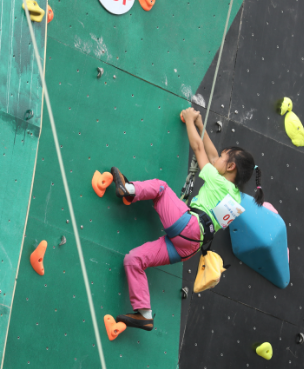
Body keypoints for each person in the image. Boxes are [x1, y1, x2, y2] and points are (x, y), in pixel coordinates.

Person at [112, 107, 264, 331]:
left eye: (223, 156)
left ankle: (129, 190)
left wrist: (191, 121)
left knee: (161, 188)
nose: (217, 157)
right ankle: (144, 313)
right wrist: (202, 126)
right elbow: (213, 156)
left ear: (230, 166)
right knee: (134, 259)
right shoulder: (235, 198)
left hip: (189, 228)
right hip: (189, 247)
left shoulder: (218, 181)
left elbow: (199, 148)